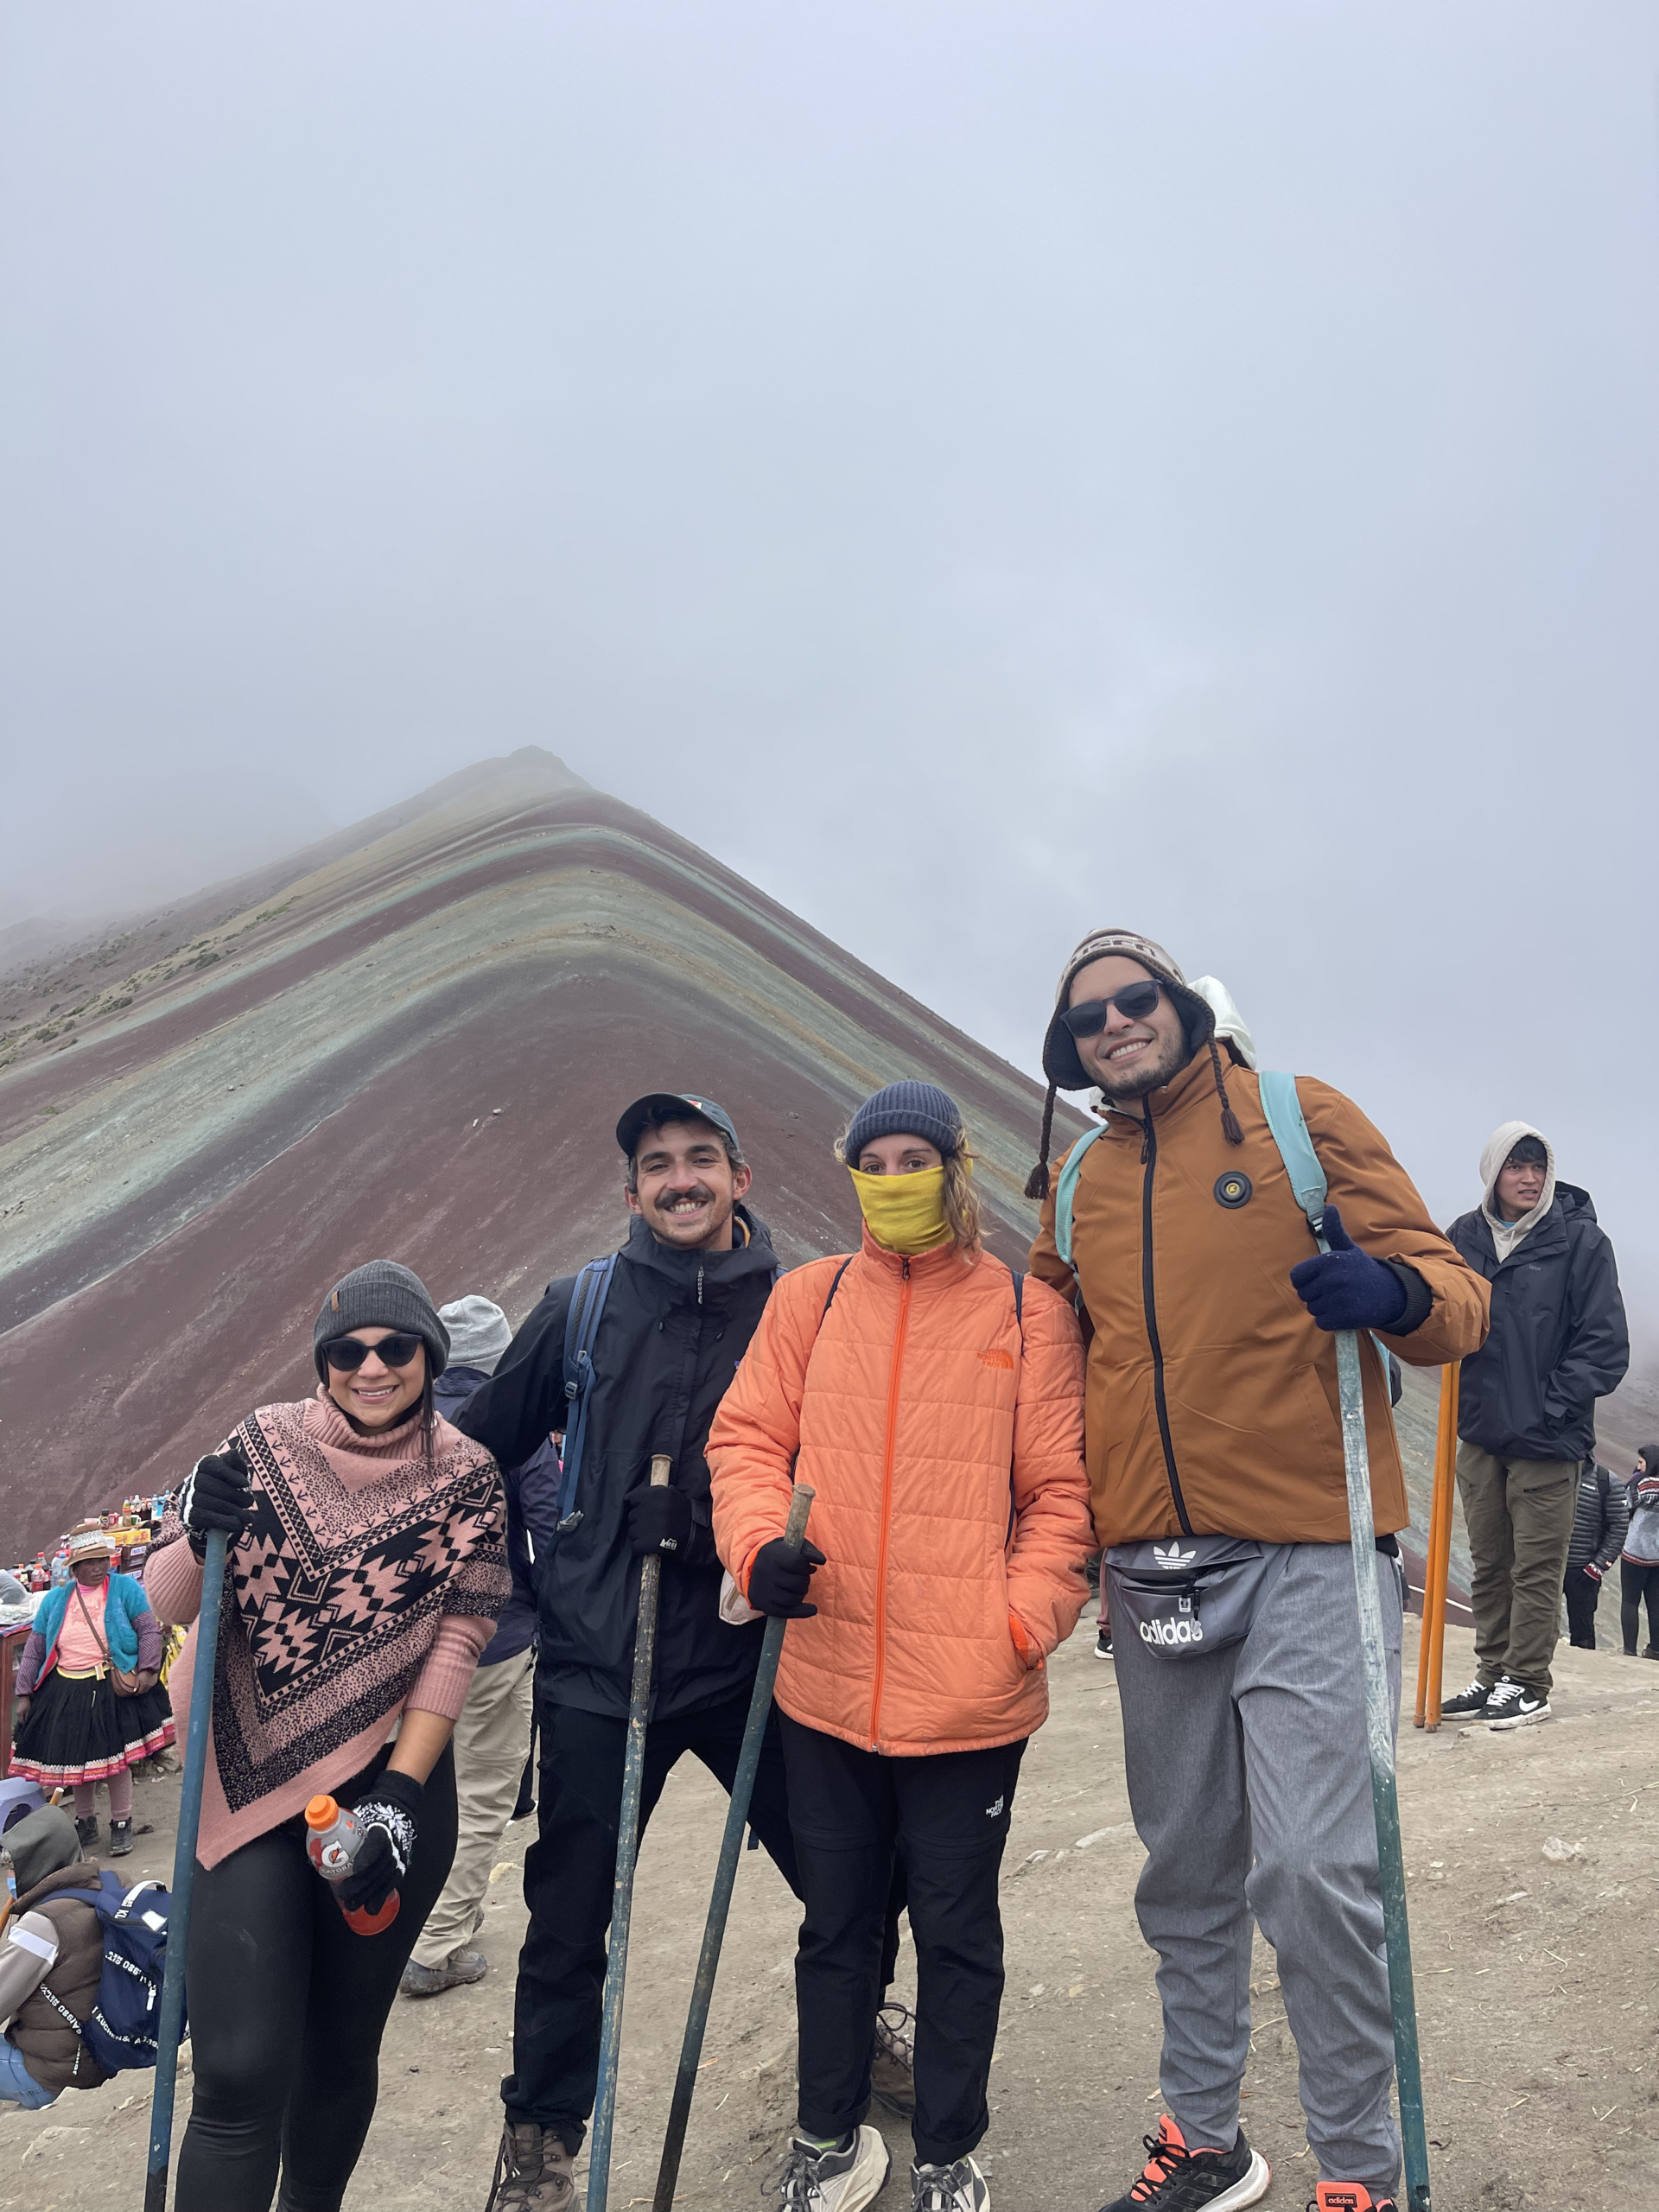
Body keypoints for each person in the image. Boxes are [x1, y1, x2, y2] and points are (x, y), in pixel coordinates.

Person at [1022, 927, 1489, 2212]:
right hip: (1152, 1569)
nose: (1116, 1023)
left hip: (1307, 1547)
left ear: (1179, 1004)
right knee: (1185, 1866)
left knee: (1308, 1869)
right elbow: (1054, 1362)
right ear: (1069, 1052)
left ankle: (1359, 2170)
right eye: (1089, 1018)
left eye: (1135, 998)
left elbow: (1459, 1297)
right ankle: (1206, 2136)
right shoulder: (1075, 1186)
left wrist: (1391, 1291)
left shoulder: (1297, 1117)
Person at [709, 1081, 1093, 2212]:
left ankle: (948, 2150)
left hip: (969, 1701)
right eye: (871, 1163)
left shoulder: (1028, 1316)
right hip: (823, 1687)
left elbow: (1064, 1502)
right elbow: (746, 1442)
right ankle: (826, 2138)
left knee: (959, 1934)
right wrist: (752, 1549)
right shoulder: (811, 1300)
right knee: (837, 1929)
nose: (892, 1182)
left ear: (955, 1168)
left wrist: (1014, 1628)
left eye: (912, 1160)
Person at [454, 1093, 809, 2212]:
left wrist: (711, 1529)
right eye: (658, 1165)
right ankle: (542, 2141)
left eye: (702, 1157)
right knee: (569, 1919)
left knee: (848, 1877)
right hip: (599, 1667)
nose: (681, 1179)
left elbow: (850, 1463)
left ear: (740, 1178)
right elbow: (466, 1461)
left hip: (753, 1664)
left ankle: (850, 2060)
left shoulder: (803, 1307)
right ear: (632, 1193)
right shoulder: (581, 1307)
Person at [143, 1260, 510, 2212]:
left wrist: (395, 1795)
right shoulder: (262, 1442)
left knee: (340, 2049)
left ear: (428, 1353)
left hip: (392, 1783)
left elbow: (457, 1640)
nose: (373, 1366)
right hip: (241, 1787)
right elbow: (166, 1604)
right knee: (236, 2068)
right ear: (323, 1361)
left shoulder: (468, 1478)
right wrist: (194, 1527)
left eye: (396, 1347)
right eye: (347, 1351)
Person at [1442, 1125, 1630, 1727]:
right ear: (1492, 1171)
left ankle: (1528, 1683)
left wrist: (1553, 1406)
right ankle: (1492, 1674)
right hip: (1480, 1432)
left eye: (1538, 1167)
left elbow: (1604, 1345)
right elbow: (1440, 1314)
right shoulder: (1463, 1237)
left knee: (1537, 1567)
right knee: (1490, 1562)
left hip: (1548, 1437)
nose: (1529, 1178)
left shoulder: (1580, 1241)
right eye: (1516, 1166)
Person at [400, 1294, 558, 1999]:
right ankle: (438, 1945)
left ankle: (400, 1925)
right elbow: (553, 1530)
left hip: (403, 1657)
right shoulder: (512, 1425)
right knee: (486, 1795)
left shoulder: (403, 1426)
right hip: (493, 1641)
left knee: (418, 1792)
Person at [9, 1520, 173, 1855]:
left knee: (116, 1760)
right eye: (89, 1562)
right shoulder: (55, 1601)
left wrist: (147, 1669)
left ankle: (122, 1823)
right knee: (76, 1764)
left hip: (111, 1685)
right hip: (66, 1688)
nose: (98, 1567)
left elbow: (148, 1631)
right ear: (75, 1567)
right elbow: (36, 1649)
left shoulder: (125, 1590)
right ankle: (85, 1822)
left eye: (103, 1560)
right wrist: (24, 1694)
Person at [1562, 1454, 1629, 1650]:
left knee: (1582, 1631)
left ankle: (1581, 1672)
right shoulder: (1548, 1473)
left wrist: (1598, 1566)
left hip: (1583, 1570)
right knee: (1536, 1625)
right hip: (1547, 1565)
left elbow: (1619, 1527)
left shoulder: (1607, 1482)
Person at [1619, 1460, 1659, 1658]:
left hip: (1635, 1551)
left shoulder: (1643, 1484)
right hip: (1657, 1553)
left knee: (1630, 1601)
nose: (1638, 1465)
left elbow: (1624, 1507)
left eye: (1642, 1462)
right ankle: (1656, 1649)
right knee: (1655, 1602)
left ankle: (1629, 1649)